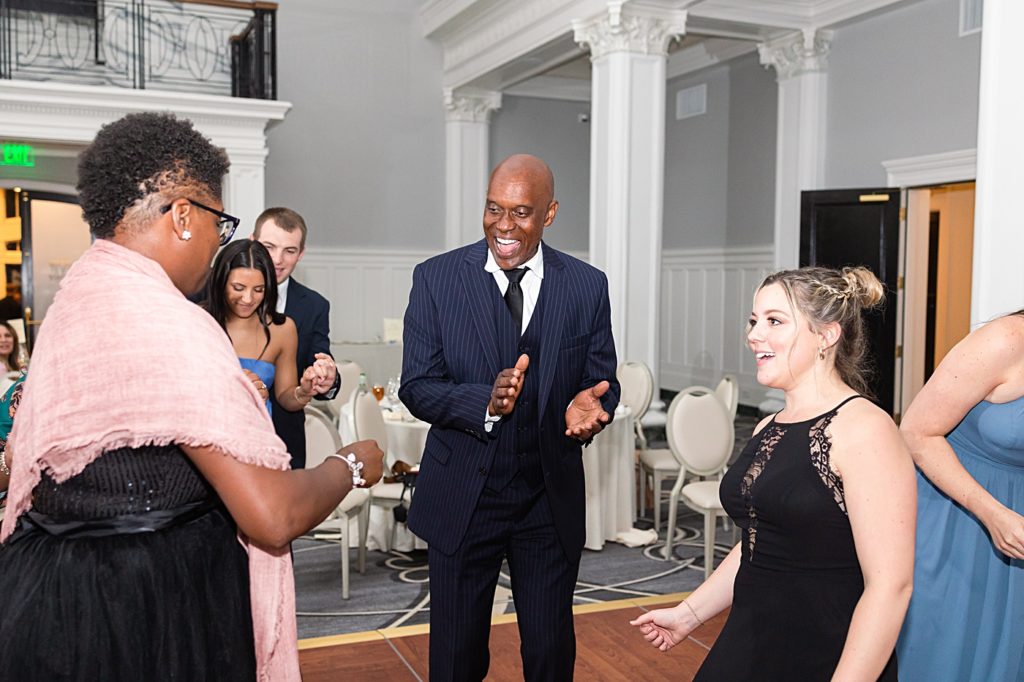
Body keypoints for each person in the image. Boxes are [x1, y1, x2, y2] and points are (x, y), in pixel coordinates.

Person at [0, 111, 384, 681]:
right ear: (183, 214)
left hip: (51, 595)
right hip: (147, 607)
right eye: (217, 224)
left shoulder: (75, 301)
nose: (216, 244)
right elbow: (270, 515)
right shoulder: (166, 321)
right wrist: (349, 465)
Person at [632, 266, 916, 681]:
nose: (753, 334)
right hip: (750, 641)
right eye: (753, 321)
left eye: (774, 321)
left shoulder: (865, 430)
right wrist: (689, 614)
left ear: (826, 335)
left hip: (824, 653)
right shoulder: (770, 427)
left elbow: (891, 587)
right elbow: (760, 541)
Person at [399, 154, 620, 681]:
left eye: (521, 212)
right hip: (463, 497)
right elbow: (417, 385)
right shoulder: (436, 279)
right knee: (455, 659)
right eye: (493, 209)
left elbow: (601, 380)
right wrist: (483, 402)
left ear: (550, 213)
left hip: (546, 500)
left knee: (549, 654)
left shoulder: (586, 285)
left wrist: (594, 408)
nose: (504, 225)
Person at [896, 311, 1024, 680]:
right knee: (943, 651)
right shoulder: (1005, 341)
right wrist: (993, 514)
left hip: (1017, 529)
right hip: (958, 515)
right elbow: (917, 432)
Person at [252, 207, 339, 469]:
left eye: (289, 251)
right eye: (269, 246)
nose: (277, 259)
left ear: (301, 254)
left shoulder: (314, 305)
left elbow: (320, 359)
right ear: (253, 243)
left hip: (285, 440)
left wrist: (328, 377)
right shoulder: (218, 293)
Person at [205, 239, 331, 416]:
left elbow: (286, 397)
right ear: (221, 282)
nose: (248, 299)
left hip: (259, 434)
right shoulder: (199, 320)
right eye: (238, 287)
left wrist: (302, 392)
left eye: (258, 290)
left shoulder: (283, 329)